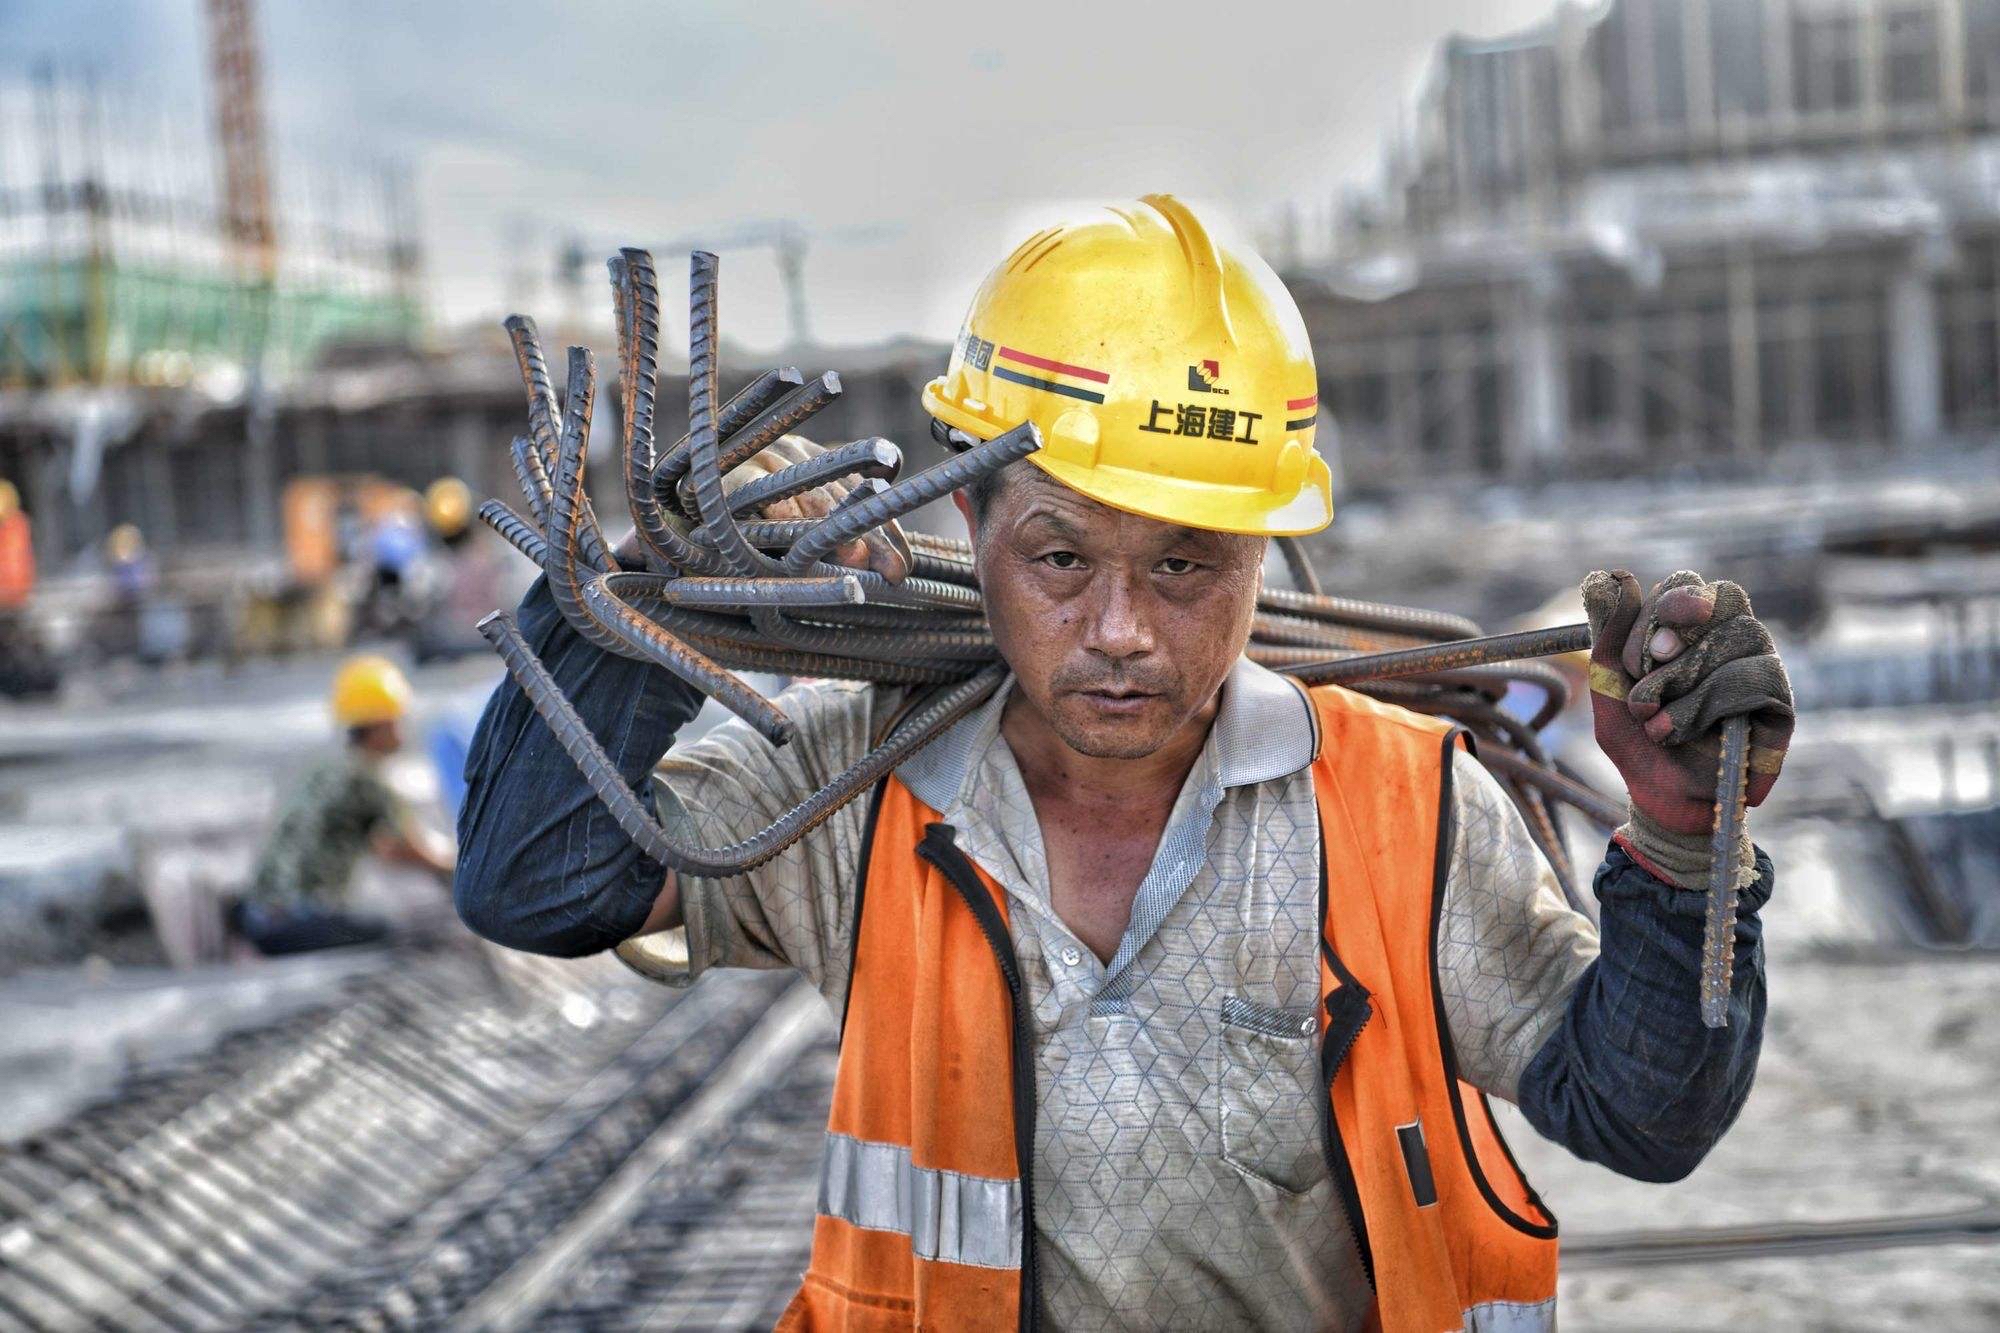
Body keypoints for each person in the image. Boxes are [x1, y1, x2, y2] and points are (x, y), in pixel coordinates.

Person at [454, 196, 1794, 1332]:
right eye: (1059, 558)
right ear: (966, 519)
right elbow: (539, 884)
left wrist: (1686, 844)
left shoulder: (1405, 806)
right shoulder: (854, 788)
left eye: (1182, 566)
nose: (1119, 633)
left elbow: (1639, 1112)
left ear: (1257, 557)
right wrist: (649, 599)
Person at [237, 654, 455, 956]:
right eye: (396, 720)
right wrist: (458, 870)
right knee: (410, 934)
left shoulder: (324, 769)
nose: (402, 729)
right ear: (380, 726)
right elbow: (403, 849)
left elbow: (383, 845)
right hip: (299, 923)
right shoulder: (368, 780)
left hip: (260, 920)